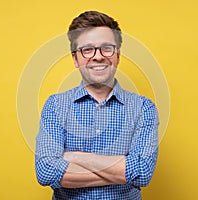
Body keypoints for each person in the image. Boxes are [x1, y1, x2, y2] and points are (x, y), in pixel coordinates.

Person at [35, 10, 159, 199]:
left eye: (106, 48)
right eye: (87, 49)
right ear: (75, 59)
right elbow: (46, 172)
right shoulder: (55, 106)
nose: (98, 56)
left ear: (117, 55)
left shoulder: (143, 108)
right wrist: (121, 170)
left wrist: (74, 157)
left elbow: (142, 172)